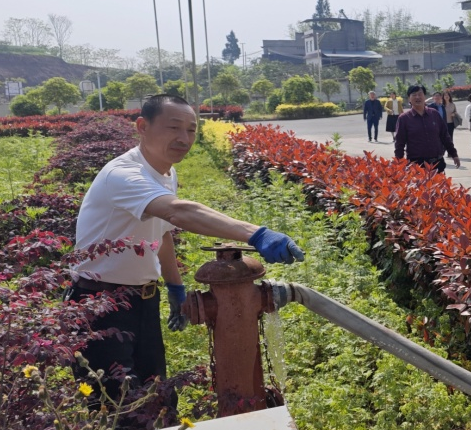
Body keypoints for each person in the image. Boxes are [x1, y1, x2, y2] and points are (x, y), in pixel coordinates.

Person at [71, 94, 304, 404]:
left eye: (191, 130)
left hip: (142, 301)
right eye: (173, 127)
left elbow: (161, 233)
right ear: (142, 126)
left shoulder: (165, 172)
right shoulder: (124, 175)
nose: (184, 138)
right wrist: (256, 234)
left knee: (154, 397)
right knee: (114, 405)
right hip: (100, 304)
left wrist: (174, 288)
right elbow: (178, 212)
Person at [394, 84, 461, 173]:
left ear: (424, 96)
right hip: (417, 166)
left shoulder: (434, 114)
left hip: (437, 163)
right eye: (414, 95)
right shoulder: (404, 118)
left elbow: (445, 136)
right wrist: (399, 164)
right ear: (409, 98)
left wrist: (454, 154)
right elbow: (399, 143)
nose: (417, 97)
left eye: (420, 94)